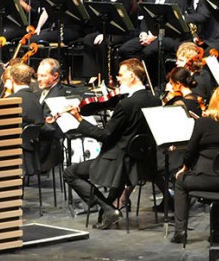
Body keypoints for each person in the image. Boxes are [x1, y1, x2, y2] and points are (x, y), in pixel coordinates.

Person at [64, 58, 161, 230]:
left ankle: (107, 208)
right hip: (139, 160)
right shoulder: (154, 100)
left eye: (121, 75)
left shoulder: (126, 104)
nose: (118, 78)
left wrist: (79, 119)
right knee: (117, 179)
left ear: (132, 76)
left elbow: (105, 135)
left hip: (117, 161)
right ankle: (108, 212)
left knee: (70, 173)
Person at [171, 85, 219, 245]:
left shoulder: (203, 122)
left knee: (180, 182)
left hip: (206, 180)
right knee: (218, 190)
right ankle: (217, 232)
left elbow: (190, 151)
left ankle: (180, 232)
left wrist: (185, 169)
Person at [117, 0, 188, 83]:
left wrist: (154, 37)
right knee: (125, 49)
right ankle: (141, 78)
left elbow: (175, 24)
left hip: (168, 36)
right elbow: (146, 18)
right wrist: (144, 34)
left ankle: (155, 82)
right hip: (150, 36)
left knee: (148, 51)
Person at [81, 0, 138, 82]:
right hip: (107, 30)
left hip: (122, 32)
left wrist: (104, 34)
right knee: (87, 39)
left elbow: (120, 21)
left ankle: (105, 76)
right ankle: (92, 73)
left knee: (103, 43)